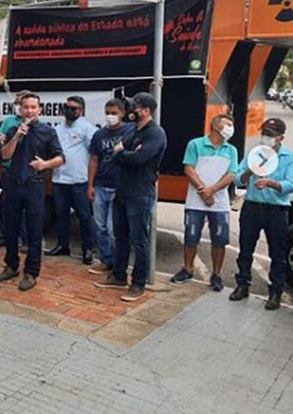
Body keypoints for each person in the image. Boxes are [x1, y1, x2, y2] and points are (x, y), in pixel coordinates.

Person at [95, 92, 167, 302]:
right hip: (122, 191)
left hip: (140, 193)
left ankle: (138, 283)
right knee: (121, 237)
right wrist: (123, 153)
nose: (131, 111)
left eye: (135, 107)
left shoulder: (155, 133)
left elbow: (138, 158)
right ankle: (119, 276)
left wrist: (122, 153)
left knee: (139, 240)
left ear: (145, 110)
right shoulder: (133, 131)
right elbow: (116, 154)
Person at [0, 93, 65, 291]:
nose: (29, 111)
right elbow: (5, 155)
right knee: (10, 227)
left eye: (33, 107)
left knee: (34, 230)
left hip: (34, 184)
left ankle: (31, 272)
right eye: (26, 107)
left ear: (40, 110)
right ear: (20, 109)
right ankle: (11, 265)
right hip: (12, 182)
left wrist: (45, 164)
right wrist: (17, 136)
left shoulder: (47, 132)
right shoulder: (12, 129)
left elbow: (60, 158)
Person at [229, 118, 293, 310]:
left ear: (280, 137)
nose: (266, 138)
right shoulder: (254, 153)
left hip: (277, 210)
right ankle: (242, 284)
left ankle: (275, 292)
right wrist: (251, 171)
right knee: (245, 248)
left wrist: (271, 183)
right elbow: (237, 179)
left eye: (270, 135)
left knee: (278, 254)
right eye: (264, 133)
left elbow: (290, 184)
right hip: (252, 207)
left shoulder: (288, 157)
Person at [171, 114, 238, 291]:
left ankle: (216, 274)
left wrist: (212, 190)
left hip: (219, 202)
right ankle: (188, 269)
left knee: (220, 239)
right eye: (228, 124)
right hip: (196, 201)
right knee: (191, 236)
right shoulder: (196, 144)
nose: (231, 128)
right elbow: (188, 168)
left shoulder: (231, 150)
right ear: (216, 125)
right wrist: (203, 190)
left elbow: (231, 174)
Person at [87, 99, 135, 275]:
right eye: (108, 112)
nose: (110, 116)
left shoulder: (130, 130)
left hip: (119, 186)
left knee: (113, 228)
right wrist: (90, 184)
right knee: (100, 226)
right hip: (101, 185)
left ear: (122, 113)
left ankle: (118, 263)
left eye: (114, 113)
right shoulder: (99, 135)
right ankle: (106, 260)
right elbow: (93, 159)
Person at [47, 95, 97, 265]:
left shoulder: (88, 129)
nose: (69, 111)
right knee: (61, 215)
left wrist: (91, 182)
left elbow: (95, 156)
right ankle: (62, 245)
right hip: (60, 179)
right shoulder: (57, 129)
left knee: (84, 216)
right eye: (67, 107)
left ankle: (88, 250)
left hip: (79, 180)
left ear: (81, 111)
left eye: (74, 108)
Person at [0, 90, 31, 248]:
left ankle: (25, 239)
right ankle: (4, 235)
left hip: (26, 171)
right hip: (8, 169)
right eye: (16, 103)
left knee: (26, 208)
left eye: (20, 103)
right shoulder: (9, 121)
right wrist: (0, 139)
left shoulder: (33, 123)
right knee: (6, 204)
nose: (17, 106)